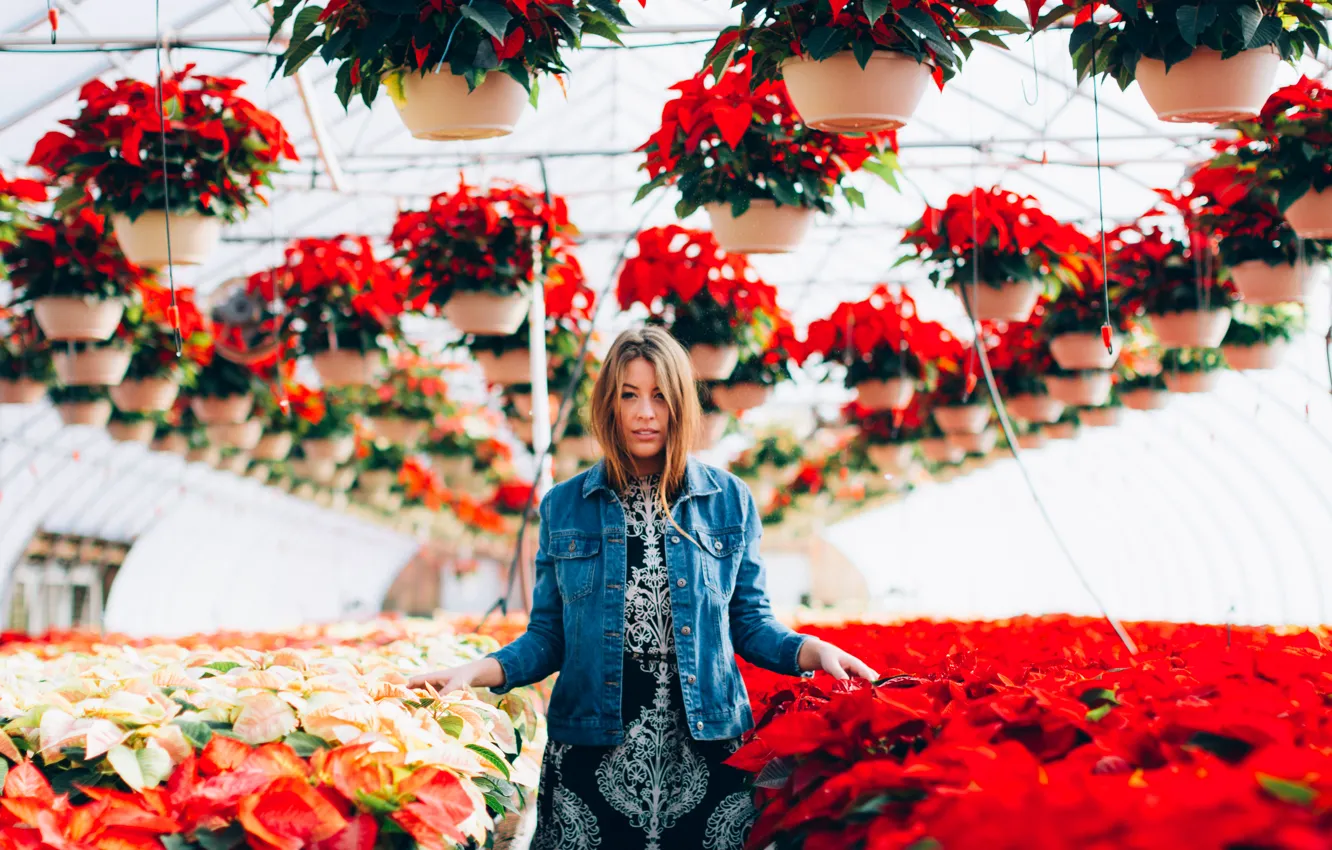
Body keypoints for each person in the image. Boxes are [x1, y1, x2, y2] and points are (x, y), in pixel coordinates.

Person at [410, 326, 877, 850]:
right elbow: (548, 637)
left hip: (708, 744)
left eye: (659, 396)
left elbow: (750, 623)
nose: (645, 413)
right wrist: (475, 671)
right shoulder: (565, 505)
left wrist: (813, 650)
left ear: (681, 404)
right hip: (592, 745)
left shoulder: (730, 500)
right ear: (609, 405)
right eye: (629, 395)